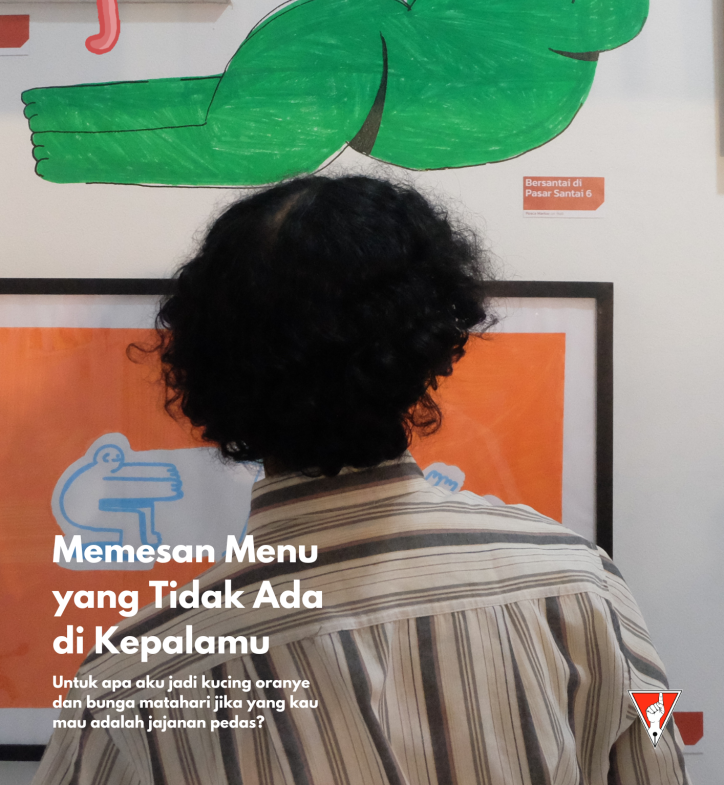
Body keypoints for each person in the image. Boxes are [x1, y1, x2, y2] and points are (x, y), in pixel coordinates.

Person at [34, 175, 689, 785]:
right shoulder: (578, 585)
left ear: (206, 365)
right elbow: (654, 758)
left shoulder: (136, 679)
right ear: (431, 344)